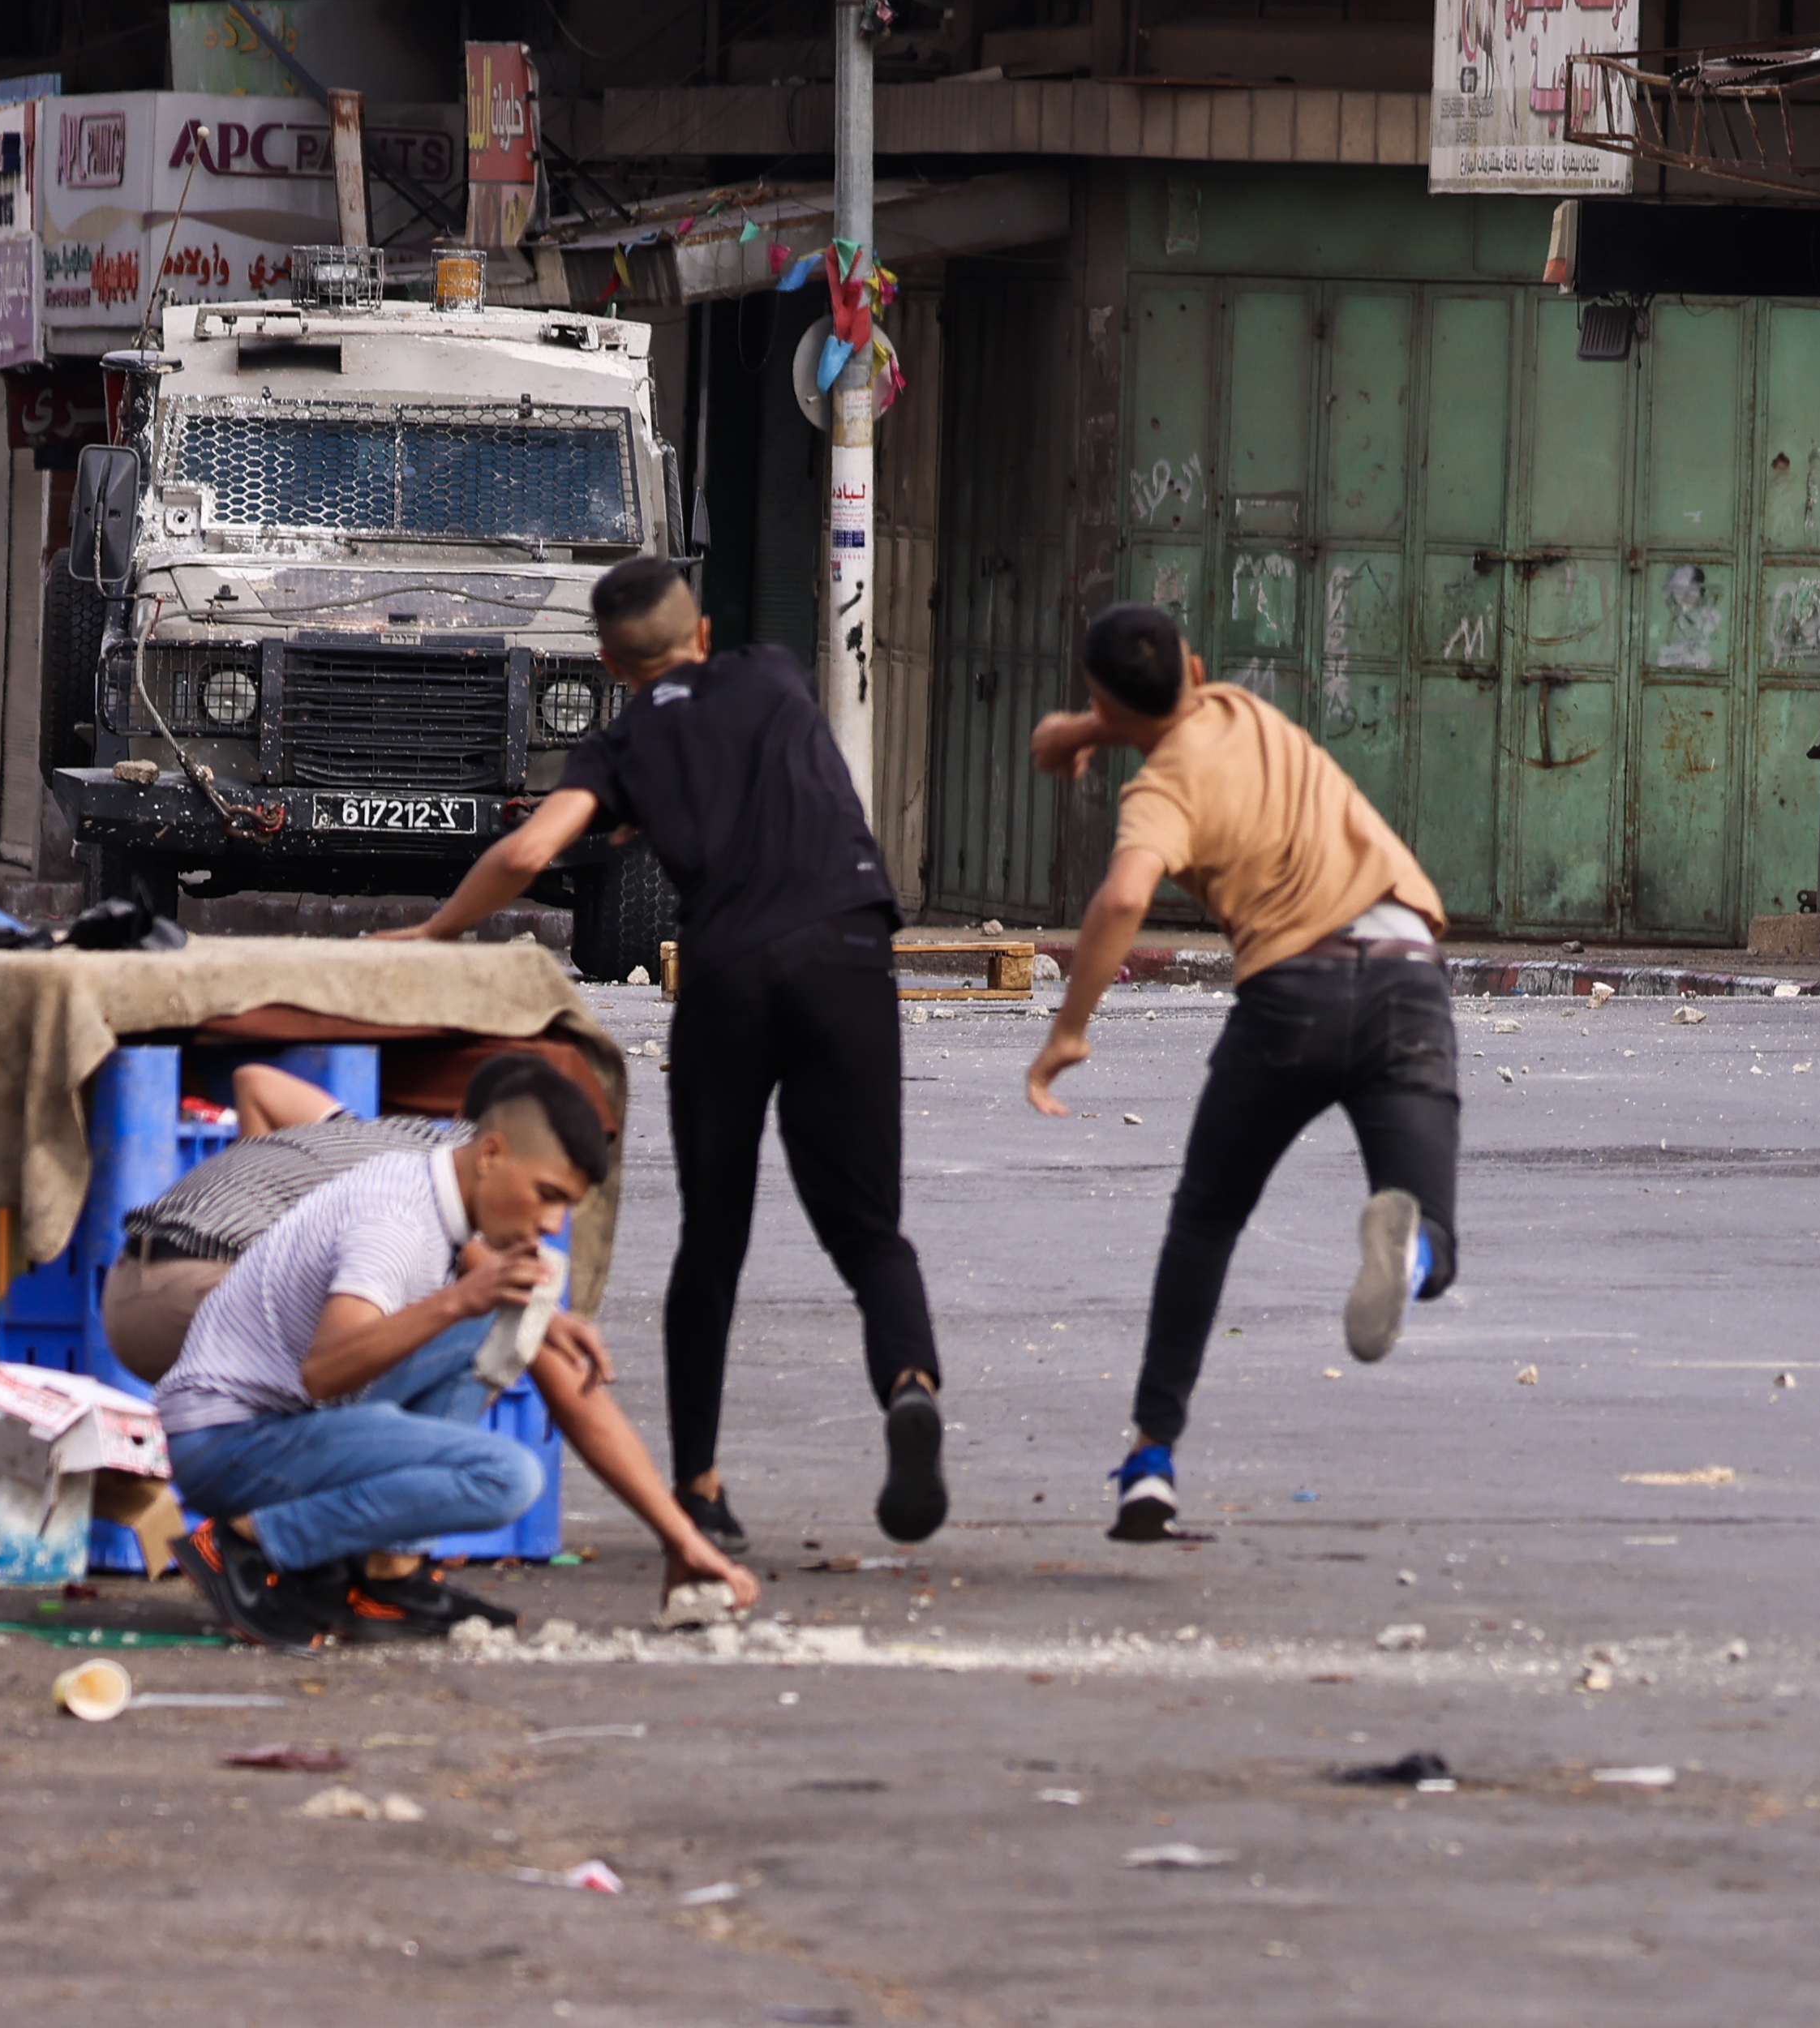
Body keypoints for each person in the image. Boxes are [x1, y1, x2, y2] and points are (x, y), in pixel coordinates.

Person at [380, 553, 947, 1549]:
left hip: (728, 974)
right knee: (870, 1229)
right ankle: (908, 1386)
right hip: (846, 950)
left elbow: (527, 851)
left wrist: (433, 931)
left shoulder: (620, 743)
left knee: (713, 1237)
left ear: (610, 662)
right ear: (704, 633)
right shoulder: (773, 672)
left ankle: (700, 1488)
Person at [1023, 600, 1461, 1544]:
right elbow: (1148, 701)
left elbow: (1125, 893)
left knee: (1206, 1221)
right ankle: (1413, 1252)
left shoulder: (1158, 795)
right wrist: (1085, 727)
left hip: (1289, 997)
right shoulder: (1239, 708)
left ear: (1106, 700)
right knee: (1431, 1226)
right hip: (1407, 976)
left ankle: (1150, 1464)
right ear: (1196, 667)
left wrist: (1068, 1029)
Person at [160, 1055, 761, 1650]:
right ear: (491, 1154)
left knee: (496, 1328)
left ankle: (383, 1579)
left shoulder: (438, 1194)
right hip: (228, 1442)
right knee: (503, 1477)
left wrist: (681, 1539)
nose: (552, 1224)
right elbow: (324, 1370)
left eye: (565, 1206)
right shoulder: (397, 1225)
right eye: (546, 1194)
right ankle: (249, 1544)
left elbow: (578, 1395)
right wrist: (458, 1301)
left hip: (268, 1425)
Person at [101, 1061, 465, 1384]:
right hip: (202, 1289)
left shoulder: (364, 1135)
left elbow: (255, 1082)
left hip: (124, 1286)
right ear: (489, 1151)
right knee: (398, 1344)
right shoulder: (446, 1179)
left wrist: (265, 1219)